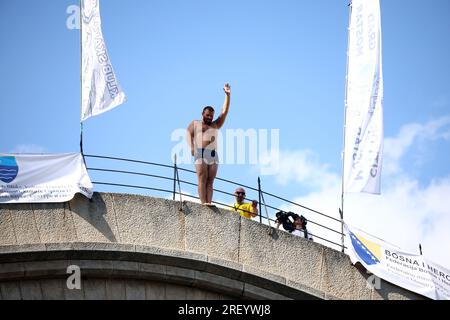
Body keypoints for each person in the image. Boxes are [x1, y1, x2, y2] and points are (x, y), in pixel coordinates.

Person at [187, 83, 231, 205]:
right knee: (202, 177)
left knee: (210, 181)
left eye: (211, 116)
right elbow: (188, 134)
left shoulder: (215, 124)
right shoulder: (195, 123)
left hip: (213, 154)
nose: (210, 117)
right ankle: (203, 203)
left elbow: (224, 111)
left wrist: (227, 95)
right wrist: (191, 147)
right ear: (202, 114)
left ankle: (209, 202)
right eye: (207, 115)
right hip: (200, 152)